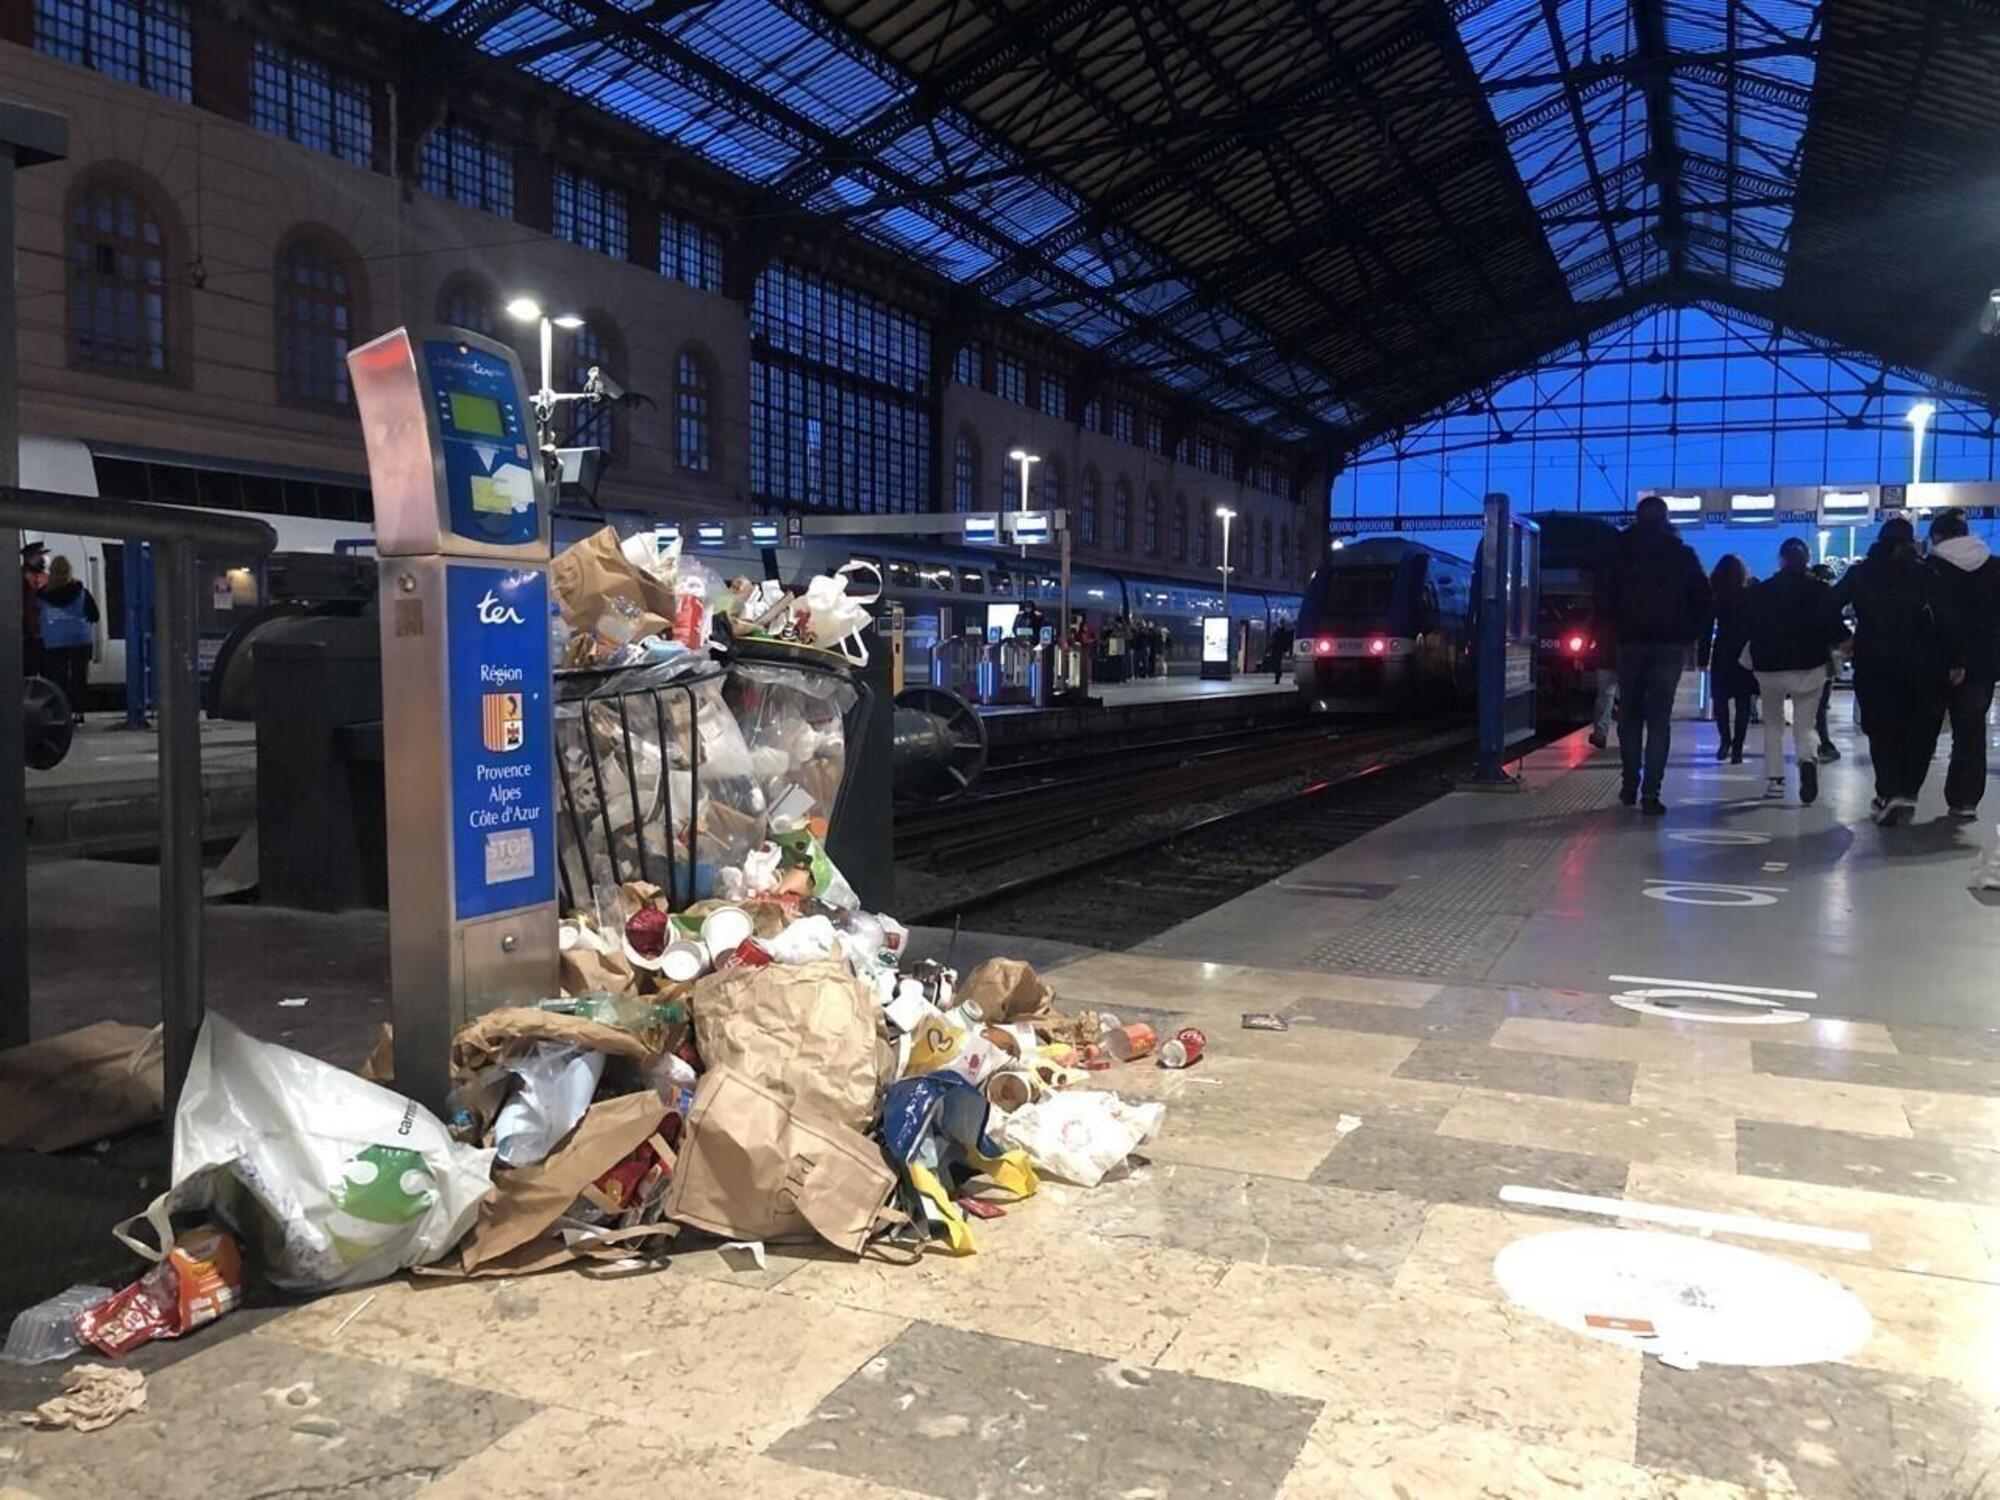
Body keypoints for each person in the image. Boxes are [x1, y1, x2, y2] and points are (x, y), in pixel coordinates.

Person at [1830, 516, 1962, 824]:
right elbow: (1946, 618)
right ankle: (1906, 791)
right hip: (1922, 664)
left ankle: (1888, 790)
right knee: (1919, 730)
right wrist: (1957, 659)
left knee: (1881, 730)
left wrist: (1843, 637)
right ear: (1910, 543)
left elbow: (1826, 606)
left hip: (1874, 662)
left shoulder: (1860, 573)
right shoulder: (1926, 574)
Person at [1599, 495, 1713, 814]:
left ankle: (1628, 785)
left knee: (1630, 716)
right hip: (1669, 647)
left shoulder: (1619, 552)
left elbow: (1603, 598)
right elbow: (1704, 600)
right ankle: (1651, 794)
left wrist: (1611, 636)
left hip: (1629, 644)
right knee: (1659, 721)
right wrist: (1692, 639)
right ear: (1665, 519)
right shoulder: (1682, 555)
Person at [1742, 538, 1848, 805]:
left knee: (1773, 724)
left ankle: (1775, 781)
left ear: (1781, 559)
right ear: (1806, 559)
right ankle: (1807, 760)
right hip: (1810, 668)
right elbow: (1838, 631)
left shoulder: (1762, 591)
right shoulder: (1821, 591)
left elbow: (1749, 628)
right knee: (1804, 725)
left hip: (1769, 668)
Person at [1924, 508, 2000, 818]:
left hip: (1934, 660)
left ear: (1937, 537)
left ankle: (1901, 790)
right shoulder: (1994, 567)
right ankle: (1965, 798)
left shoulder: (1928, 569)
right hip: (1983, 663)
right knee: (1971, 730)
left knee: (1922, 727)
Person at [1698, 555, 1756, 764]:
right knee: (1743, 702)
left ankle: (1725, 742)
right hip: (1745, 653)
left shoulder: (1715, 598)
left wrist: (1702, 657)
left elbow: (1705, 629)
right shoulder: (1750, 595)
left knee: (1720, 701)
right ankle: (1738, 748)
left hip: (1722, 651)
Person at [37, 554, 99, 724]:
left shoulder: (42, 595)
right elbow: (95, 615)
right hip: (80, 640)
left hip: (54, 642)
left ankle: (60, 712)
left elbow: (36, 615)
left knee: (58, 678)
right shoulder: (81, 592)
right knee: (79, 678)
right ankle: (78, 713)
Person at [1807, 563, 1843, 761]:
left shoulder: (1804, 601)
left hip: (1810, 659)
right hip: (1826, 658)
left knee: (1815, 705)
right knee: (1820, 705)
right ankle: (1823, 743)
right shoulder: (1828, 599)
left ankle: (1818, 743)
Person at [20, 539, 47, 680]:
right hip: (30, 635)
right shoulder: (21, 577)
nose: (43, 559)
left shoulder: (44, 577)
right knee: (29, 674)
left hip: (41, 634)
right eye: (39, 555)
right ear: (29, 557)